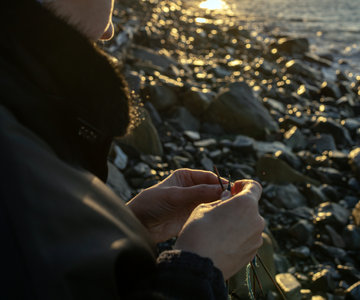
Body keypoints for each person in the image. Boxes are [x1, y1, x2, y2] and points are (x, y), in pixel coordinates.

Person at [0, 0, 265, 299]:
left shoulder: (21, 123)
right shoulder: (12, 156)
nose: (109, 32)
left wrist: (127, 226)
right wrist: (199, 270)